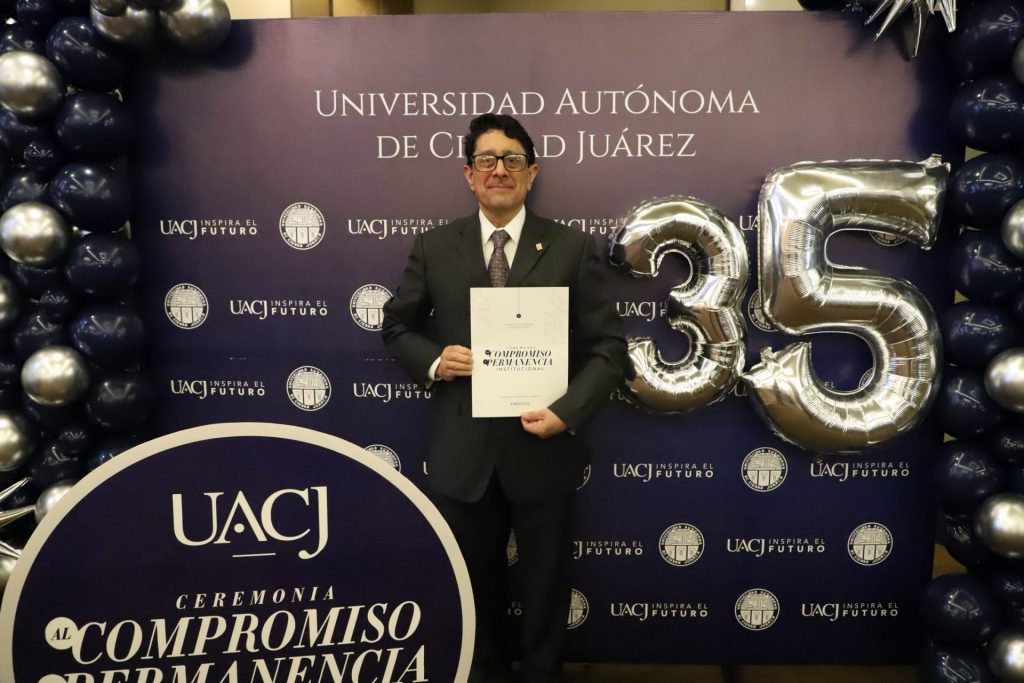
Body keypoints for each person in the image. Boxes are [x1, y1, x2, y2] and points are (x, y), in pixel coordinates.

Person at [381, 113, 627, 683]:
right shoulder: (435, 246)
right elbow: (397, 326)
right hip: (464, 451)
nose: (499, 170)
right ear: (468, 174)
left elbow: (609, 347)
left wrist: (568, 412)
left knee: (545, 589)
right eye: (487, 160)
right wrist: (436, 360)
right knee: (472, 588)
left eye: (512, 160)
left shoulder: (571, 247)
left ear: (531, 173)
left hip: (543, 446)